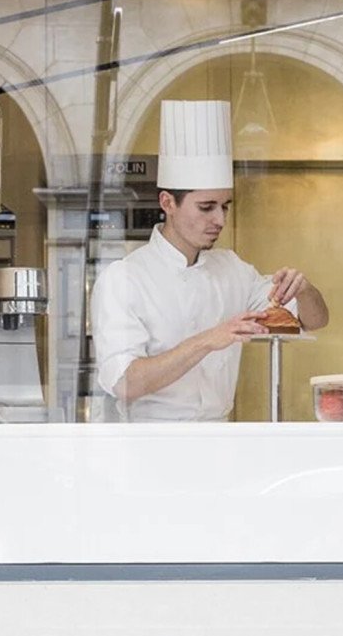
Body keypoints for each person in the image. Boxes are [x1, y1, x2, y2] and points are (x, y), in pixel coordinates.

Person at [90, 100, 329, 422]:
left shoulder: (233, 269)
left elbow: (315, 320)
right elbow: (125, 384)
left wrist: (304, 289)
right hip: (151, 440)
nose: (220, 219)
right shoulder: (124, 278)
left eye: (225, 206)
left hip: (220, 436)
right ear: (167, 203)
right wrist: (207, 340)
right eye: (206, 207)